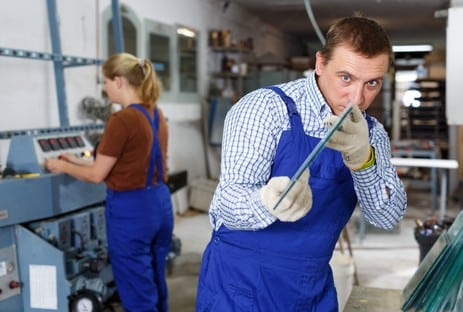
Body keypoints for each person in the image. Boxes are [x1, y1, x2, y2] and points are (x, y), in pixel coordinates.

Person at [196, 15, 407, 311]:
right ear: (320, 64)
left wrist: (363, 161)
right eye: (346, 78)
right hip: (242, 287)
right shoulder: (265, 110)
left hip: (311, 290)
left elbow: (388, 217)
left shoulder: (371, 135)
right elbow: (227, 204)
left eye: (372, 83)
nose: (356, 99)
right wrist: (267, 201)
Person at [45, 53, 174, 312]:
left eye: (104, 82)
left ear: (118, 82)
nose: (104, 90)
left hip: (132, 211)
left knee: (136, 287)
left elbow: (96, 175)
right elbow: (125, 160)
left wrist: (60, 165)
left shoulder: (122, 119)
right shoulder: (155, 114)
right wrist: (76, 159)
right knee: (154, 278)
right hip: (159, 204)